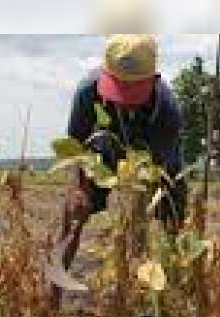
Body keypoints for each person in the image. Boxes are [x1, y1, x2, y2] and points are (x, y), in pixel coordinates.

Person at [54, 34, 187, 301]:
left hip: (152, 161)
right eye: (118, 89)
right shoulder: (87, 93)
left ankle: (168, 294)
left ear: (154, 80)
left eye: (133, 92)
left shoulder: (169, 112)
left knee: (172, 213)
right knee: (73, 215)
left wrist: (135, 218)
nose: (124, 101)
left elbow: (151, 176)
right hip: (104, 150)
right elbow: (76, 150)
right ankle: (52, 292)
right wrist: (79, 188)